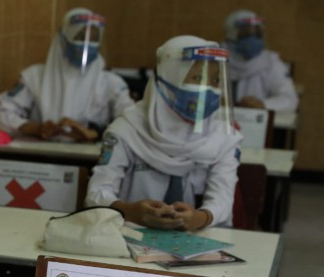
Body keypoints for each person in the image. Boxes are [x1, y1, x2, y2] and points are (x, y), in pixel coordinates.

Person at [86, 35, 243, 231]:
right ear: (170, 76)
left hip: (196, 240)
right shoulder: (127, 129)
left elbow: (223, 198)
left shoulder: (224, 138)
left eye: (216, 81)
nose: (209, 90)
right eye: (198, 78)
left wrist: (199, 218)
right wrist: (130, 211)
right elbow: (96, 193)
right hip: (128, 235)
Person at [0, 7, 134, 143]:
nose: (87, 44)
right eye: (81, 37)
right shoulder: (34, 77)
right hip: (41, 157)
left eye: (93, 38)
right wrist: (35, 128)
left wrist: (94, 133)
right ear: (63, 39)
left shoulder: (111, 84)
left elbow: (133, 124)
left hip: (90, 161)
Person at [223, 9, 299, 112]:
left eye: (257, 33)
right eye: (246, 33)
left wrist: (262, 104)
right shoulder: (216, 58)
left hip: (255, 124)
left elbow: (290, 100)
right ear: (232, 34)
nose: (252, 38)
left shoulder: (270, 62)